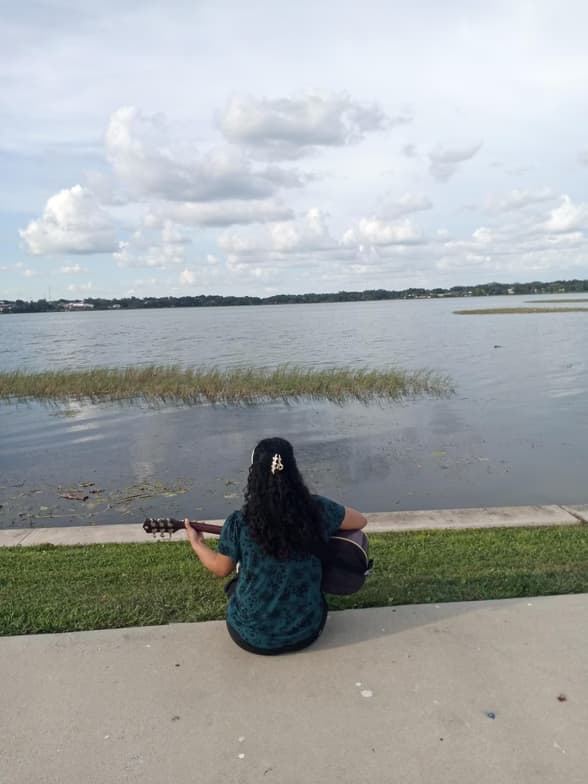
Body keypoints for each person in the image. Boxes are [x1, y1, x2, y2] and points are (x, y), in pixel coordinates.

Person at [184, 436, 367, 655]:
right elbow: (360, 521)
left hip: (250, 636)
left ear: (254, 474)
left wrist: (197, 544)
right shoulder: (317, 509)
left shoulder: (239, 521)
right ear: (293, 471)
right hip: (306, 632)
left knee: (236, 583)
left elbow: (220, 568)